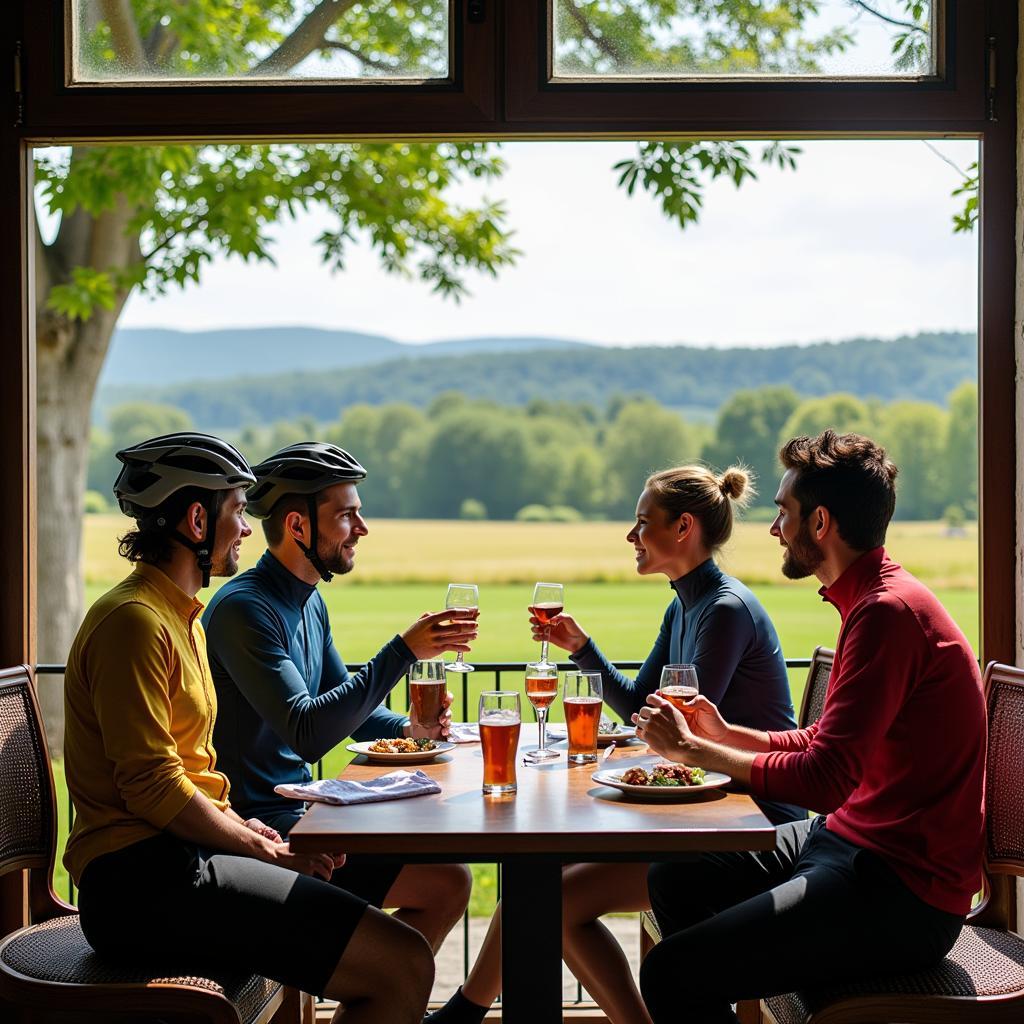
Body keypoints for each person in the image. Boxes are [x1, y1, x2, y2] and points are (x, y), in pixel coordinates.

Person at [63, 432, 434, 1024]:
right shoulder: (133, 623)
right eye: (237, 511)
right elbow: (153, 785)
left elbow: (191, 773)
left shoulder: (180, 619)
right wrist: (264, 849)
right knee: (402, 965)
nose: (244, 528)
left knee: (402, 958)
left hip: (177, 859)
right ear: (195, 519)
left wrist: (248, 829)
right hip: (139, 883)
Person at [430, 464, 802, 1024]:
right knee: (537, 884)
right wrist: (581, 648)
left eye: (641, 522)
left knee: (549, 901)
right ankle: (465, 1012)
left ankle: (471, 1014)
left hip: (748, 827)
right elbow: (641, 709)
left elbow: (685, 733)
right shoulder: (684, 603)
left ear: (683, 529)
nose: (631, 536)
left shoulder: (724, 611)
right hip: (702, 812)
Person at [635, 431, 985, 1024]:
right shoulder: (872, 602)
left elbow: (825, 779)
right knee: (674, 876)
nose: (774, 529)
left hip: (902, 893)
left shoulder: (886, 614)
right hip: (849, 845)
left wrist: (698, 750)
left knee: (672, 972)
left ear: (819, 523)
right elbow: (825, 744)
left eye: (783, 512)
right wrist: (725, 733)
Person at [202, 441, 478, 955]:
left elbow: (348, 711)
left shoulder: (308, 601)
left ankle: (390, 992)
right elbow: (307, 733)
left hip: (308, 810)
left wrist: (410, 732)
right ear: (297, 526)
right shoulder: (245, 609)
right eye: (348, 514)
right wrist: (402, 652)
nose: (363, 527)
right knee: (445, 882)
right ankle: (388, 989)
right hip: (263, 826)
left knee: (450, 878)